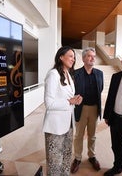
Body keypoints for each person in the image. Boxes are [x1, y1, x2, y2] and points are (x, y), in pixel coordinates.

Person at [42, 46, 82, 176]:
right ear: (61, 57)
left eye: (74, 57)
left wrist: (74, 100)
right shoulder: (53, 74)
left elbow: (66, 98)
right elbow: (49, 103)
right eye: (70, 56)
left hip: (68, 124)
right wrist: (69, 102)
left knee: (66, 157)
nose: (73, 59)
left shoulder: (69, 74)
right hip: (55, 126)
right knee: (55, 162)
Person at [70, 47, 104, 173]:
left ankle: (92, 156)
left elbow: (100, 89)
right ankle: (77, 158)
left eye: (93, 56)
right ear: (84, 58)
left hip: (95, 108)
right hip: (81, 108)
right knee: (78, 135)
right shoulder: (76, 73)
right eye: (89, 56)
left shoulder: (99, 74)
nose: (92, 58)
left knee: (92, 135)